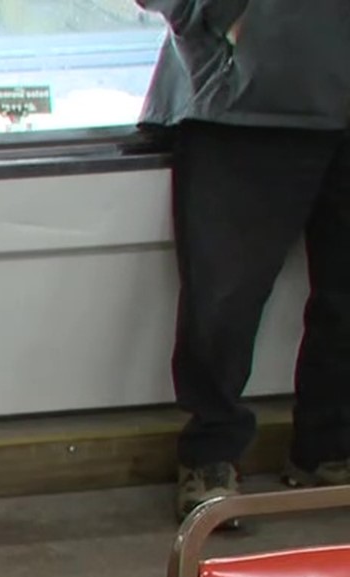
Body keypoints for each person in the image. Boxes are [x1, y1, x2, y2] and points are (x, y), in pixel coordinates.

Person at [136, 0, 350, 520]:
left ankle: (328, 448)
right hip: (242, 103)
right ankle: (212, 453)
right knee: (224, 298)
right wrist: (212, 18)